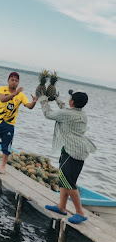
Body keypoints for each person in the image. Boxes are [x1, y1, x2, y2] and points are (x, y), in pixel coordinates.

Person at [40, 90, 96, 224]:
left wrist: (43, 99)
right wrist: (58, 99)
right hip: (79, 152)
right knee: (64, 180)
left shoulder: (67, 114)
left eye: (70, 97)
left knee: (69, 182)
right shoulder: (82, 114)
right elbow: (65, 110)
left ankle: (80, 212)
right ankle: (62, 206)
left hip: (71, 153)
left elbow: (48, 114)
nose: (69, 99)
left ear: (72, 101)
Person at [0, 72, 37, 173]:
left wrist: (34, 102)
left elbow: (28, 106)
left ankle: (2, 167)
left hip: (9, 124)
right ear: (8, 81)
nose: (14, 82)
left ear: (18, 83)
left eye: (16, 81)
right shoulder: (2, 89)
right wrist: (15, 93)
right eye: (12, 80)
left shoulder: (21, 95)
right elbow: (2, 99)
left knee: (6, 146)